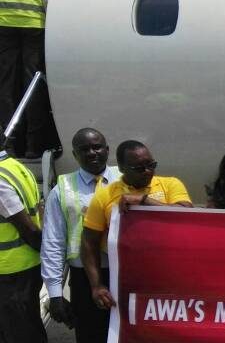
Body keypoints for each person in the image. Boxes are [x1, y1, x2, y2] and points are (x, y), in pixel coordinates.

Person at [80, 140, 192, 312]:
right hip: (125, 277)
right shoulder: (104, 195)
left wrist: (144, 200)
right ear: (122, 168)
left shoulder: (170, 184)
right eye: (139, 168)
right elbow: (88, 243)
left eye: (151, 165)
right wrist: (96, 285)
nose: (148, 171)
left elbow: (187, 214)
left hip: (171, 274)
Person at [40, 128, 120, 342]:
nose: (92, 153)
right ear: (74, 155)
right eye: (84, 149)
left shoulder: (125, 180)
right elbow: (53, 242)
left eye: (97, 147)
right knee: (90, 335)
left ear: (107, 150)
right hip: (84, 279)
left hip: (124, 274)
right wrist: (55, 293)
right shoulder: (62, 189)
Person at [0, 0, 60, 158]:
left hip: (2, 25)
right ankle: (34, 145)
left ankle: (8, 144)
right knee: (32, 84)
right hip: (34, 25)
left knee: (5, 85)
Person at [0, 151, 46, 342]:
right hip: (26, 265)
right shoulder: (14, 166)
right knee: (29, 324)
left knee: (20, 332)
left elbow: (28, 228)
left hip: (11, 271)